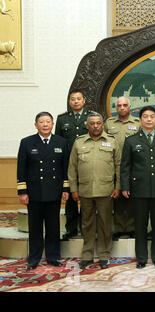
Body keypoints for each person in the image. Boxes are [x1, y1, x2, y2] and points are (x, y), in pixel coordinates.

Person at [120, 106, 155, 269]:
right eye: (145, 116)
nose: (149, 119)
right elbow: (125, 166)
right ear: (140, 119)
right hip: (139, 189)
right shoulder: (131, 140)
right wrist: (125, 185)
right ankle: (142, 258)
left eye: (152, 116)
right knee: (140, 225)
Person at [17, 112, 70, 270]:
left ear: (53, 124)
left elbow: (65, 168)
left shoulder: (61, 142)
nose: (45, 124)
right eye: (42, 122)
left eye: (48, 121)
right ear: (36, 125)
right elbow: (21, 169)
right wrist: (22, 191)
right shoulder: (27, 142)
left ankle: (53, 256)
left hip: (54, 191)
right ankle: (34, 258)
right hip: (34, 192)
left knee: (53, 227)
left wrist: (65, 188)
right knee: (35, 228)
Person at [68, 112, 121, 269]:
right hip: (85, 191)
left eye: (98, 123)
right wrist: (73, 189)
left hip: (106, 190)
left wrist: (118, 186)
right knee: (87, 224)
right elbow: (72, 168)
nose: (96, 126)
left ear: (103, 125)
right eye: (92, 123)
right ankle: (87, 254)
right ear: (87, 126)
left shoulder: (111, 141)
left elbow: (119, 166)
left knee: (105, 224)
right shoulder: (79, 143)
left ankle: (104, 255)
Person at [55, 89, 92, 241]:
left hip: (87, 163)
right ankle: (71, 230)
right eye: (72, 99)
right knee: (70, 198)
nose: (75, 101)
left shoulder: (91, 117)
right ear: (69, 102)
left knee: (86, 199)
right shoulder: (62, 119)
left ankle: (85, 229)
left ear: (84, 100)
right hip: (69, 164)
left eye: (78, 98)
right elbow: (57, 142)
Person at [104, 96, 140, 241]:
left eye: (125, 105)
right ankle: (119, 228)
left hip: (133, 165)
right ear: (116, 108)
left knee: (131, 198)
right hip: (114, 165)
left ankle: (131, 227)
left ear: (129, 107)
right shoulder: (109, 123)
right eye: (119, 105)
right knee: (117, 198)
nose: (122, 108)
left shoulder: (137, 123)